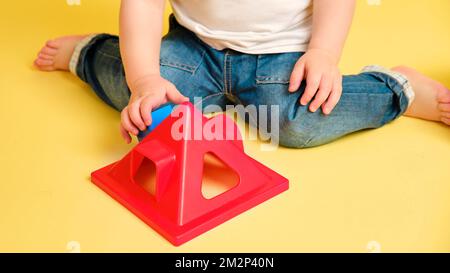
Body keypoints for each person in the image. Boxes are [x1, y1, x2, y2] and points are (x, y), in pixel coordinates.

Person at [34, 0, 450, 147]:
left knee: (297, 121)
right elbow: (142, 5)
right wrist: (143, 79)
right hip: (196, 45)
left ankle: (399, 88)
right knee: (150, 105)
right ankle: (90, 54)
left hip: (283, 52)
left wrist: (324, 52)